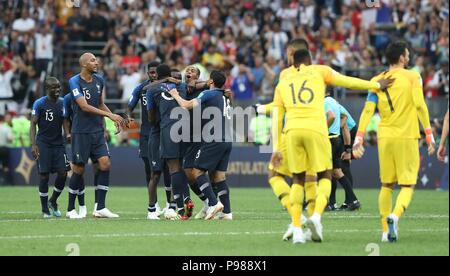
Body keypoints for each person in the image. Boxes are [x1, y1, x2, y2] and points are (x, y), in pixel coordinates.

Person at [272, 49, 393, 244]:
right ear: (310, 60)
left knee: (297, 179)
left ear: (293, 61)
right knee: (326, 175)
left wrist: (276, 146)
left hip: (292, 131)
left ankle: (296, 228)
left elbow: (277, 114)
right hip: (317, 131)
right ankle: (316, 218)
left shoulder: (284, 77)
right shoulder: (320, 71)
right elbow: (348, 81)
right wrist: (375, 84)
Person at [353, 41, 436, 243]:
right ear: (401, 58)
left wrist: (359, 138)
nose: (409, 57)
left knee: (386, 185)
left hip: (385, 138)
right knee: (407, 186)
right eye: (407, 54)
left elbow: (367, 110)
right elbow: (420, 105)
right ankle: (395, 216)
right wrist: (429, 134)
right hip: (407, 136)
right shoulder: (412, 76)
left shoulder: (376, 80)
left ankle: (384, 231)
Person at [168, 70, 233, 220]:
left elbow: (185, 105)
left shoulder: (209, 94)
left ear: (210, 81)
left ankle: (213, 203)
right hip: (227, 140)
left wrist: (175, 94)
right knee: (219, 176)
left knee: (196, 171)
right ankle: (227, 212)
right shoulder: (225, 97)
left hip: (213, 139)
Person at [67, 52, 124, 219]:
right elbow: (83, 106)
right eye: (92, 60)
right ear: (84, 64)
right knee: (79, 168)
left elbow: (99, 102)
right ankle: (71, 208)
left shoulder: (99, 80)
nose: (96, 62)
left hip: (97, 131)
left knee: (105, 164)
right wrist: (110, 116)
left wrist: (112, 116)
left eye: (96, 60)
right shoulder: (74, 81)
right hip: (81, 131)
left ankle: (100, 207)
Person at [127, 61, 165, 219]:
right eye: (151, 72)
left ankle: (171, 204)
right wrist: (128, 116)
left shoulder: (165, 87)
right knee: (149, 168)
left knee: (167, 169)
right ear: (148, 73)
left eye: (156, 72)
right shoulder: (141, 88)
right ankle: (154, 204)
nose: (153, 75)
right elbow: (130, 105)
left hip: (162, 132)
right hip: (145, 133)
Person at [30, 77, 70, 218]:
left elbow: (65, 120)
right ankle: (44, 209)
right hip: (43, 144)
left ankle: (53, 201)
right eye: (54, 87)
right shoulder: (39, 104)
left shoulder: (62, 102)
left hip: (58, 144)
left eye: (58, 87)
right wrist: (34, 144)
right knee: (44, 176)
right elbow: (33, 124)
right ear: (47, 88)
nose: (57, 89)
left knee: (63, 173)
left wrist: (68, 133)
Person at [324, 94, 360, 212]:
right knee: (336, 170)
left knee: (341, 168)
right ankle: (343, 201)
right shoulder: (334, 103)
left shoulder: (326, 103)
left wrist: (348, 150)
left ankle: (345, 201)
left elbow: (345, 127)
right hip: (338, 136)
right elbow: (343, 118)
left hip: (342, 135)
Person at [0, 114, 13, 184]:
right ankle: (7, 182)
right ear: (3, 119)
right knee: (6, 167)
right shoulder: (6, 128)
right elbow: (10, 139)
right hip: (3, 149)